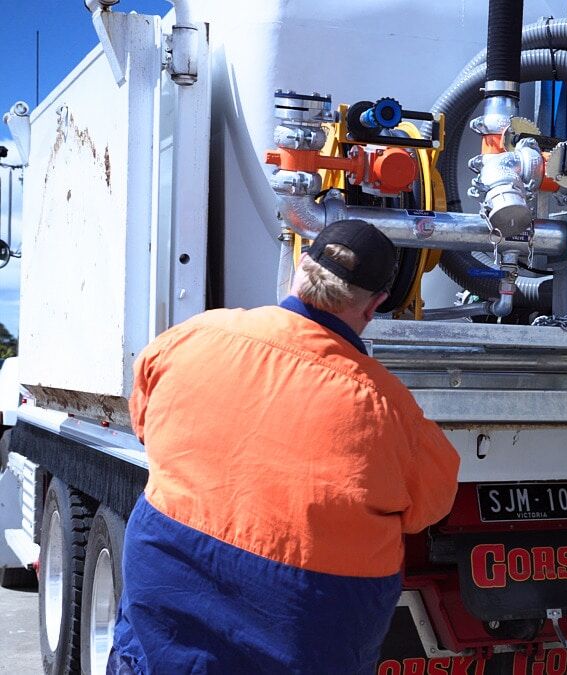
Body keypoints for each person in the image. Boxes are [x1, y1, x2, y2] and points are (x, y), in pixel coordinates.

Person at [110, 219, 461, 673]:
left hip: (171, 577)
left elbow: (145, 423)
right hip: (301, 613)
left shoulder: (192, 336)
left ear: (301, 264)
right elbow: (431, 504)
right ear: (374, 306)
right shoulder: (386, 407)